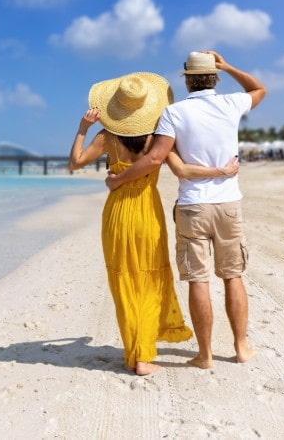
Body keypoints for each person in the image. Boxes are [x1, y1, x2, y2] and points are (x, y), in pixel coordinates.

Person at [69, 72, 239, 376]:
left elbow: (75, 163)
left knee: (125, 283)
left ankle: (138, 355)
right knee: (149, 280)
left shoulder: (106, 137)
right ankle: (143, 354)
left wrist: (83, 129)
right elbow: (183, 170)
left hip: (118, 215)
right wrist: (221, 170)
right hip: (148, 214)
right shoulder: (157, 139)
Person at [106, 51, 266, 369]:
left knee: (199, 280)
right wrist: (229, 65)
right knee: (233, 276)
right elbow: (259, 89)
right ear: (215, 77)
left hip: (194, 206)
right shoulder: (231, 104)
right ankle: (241, 347)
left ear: (186, 79)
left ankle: (205, 355)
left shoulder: (174, 113)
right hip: (228, 203)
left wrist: (119, 179)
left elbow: (154, 159)